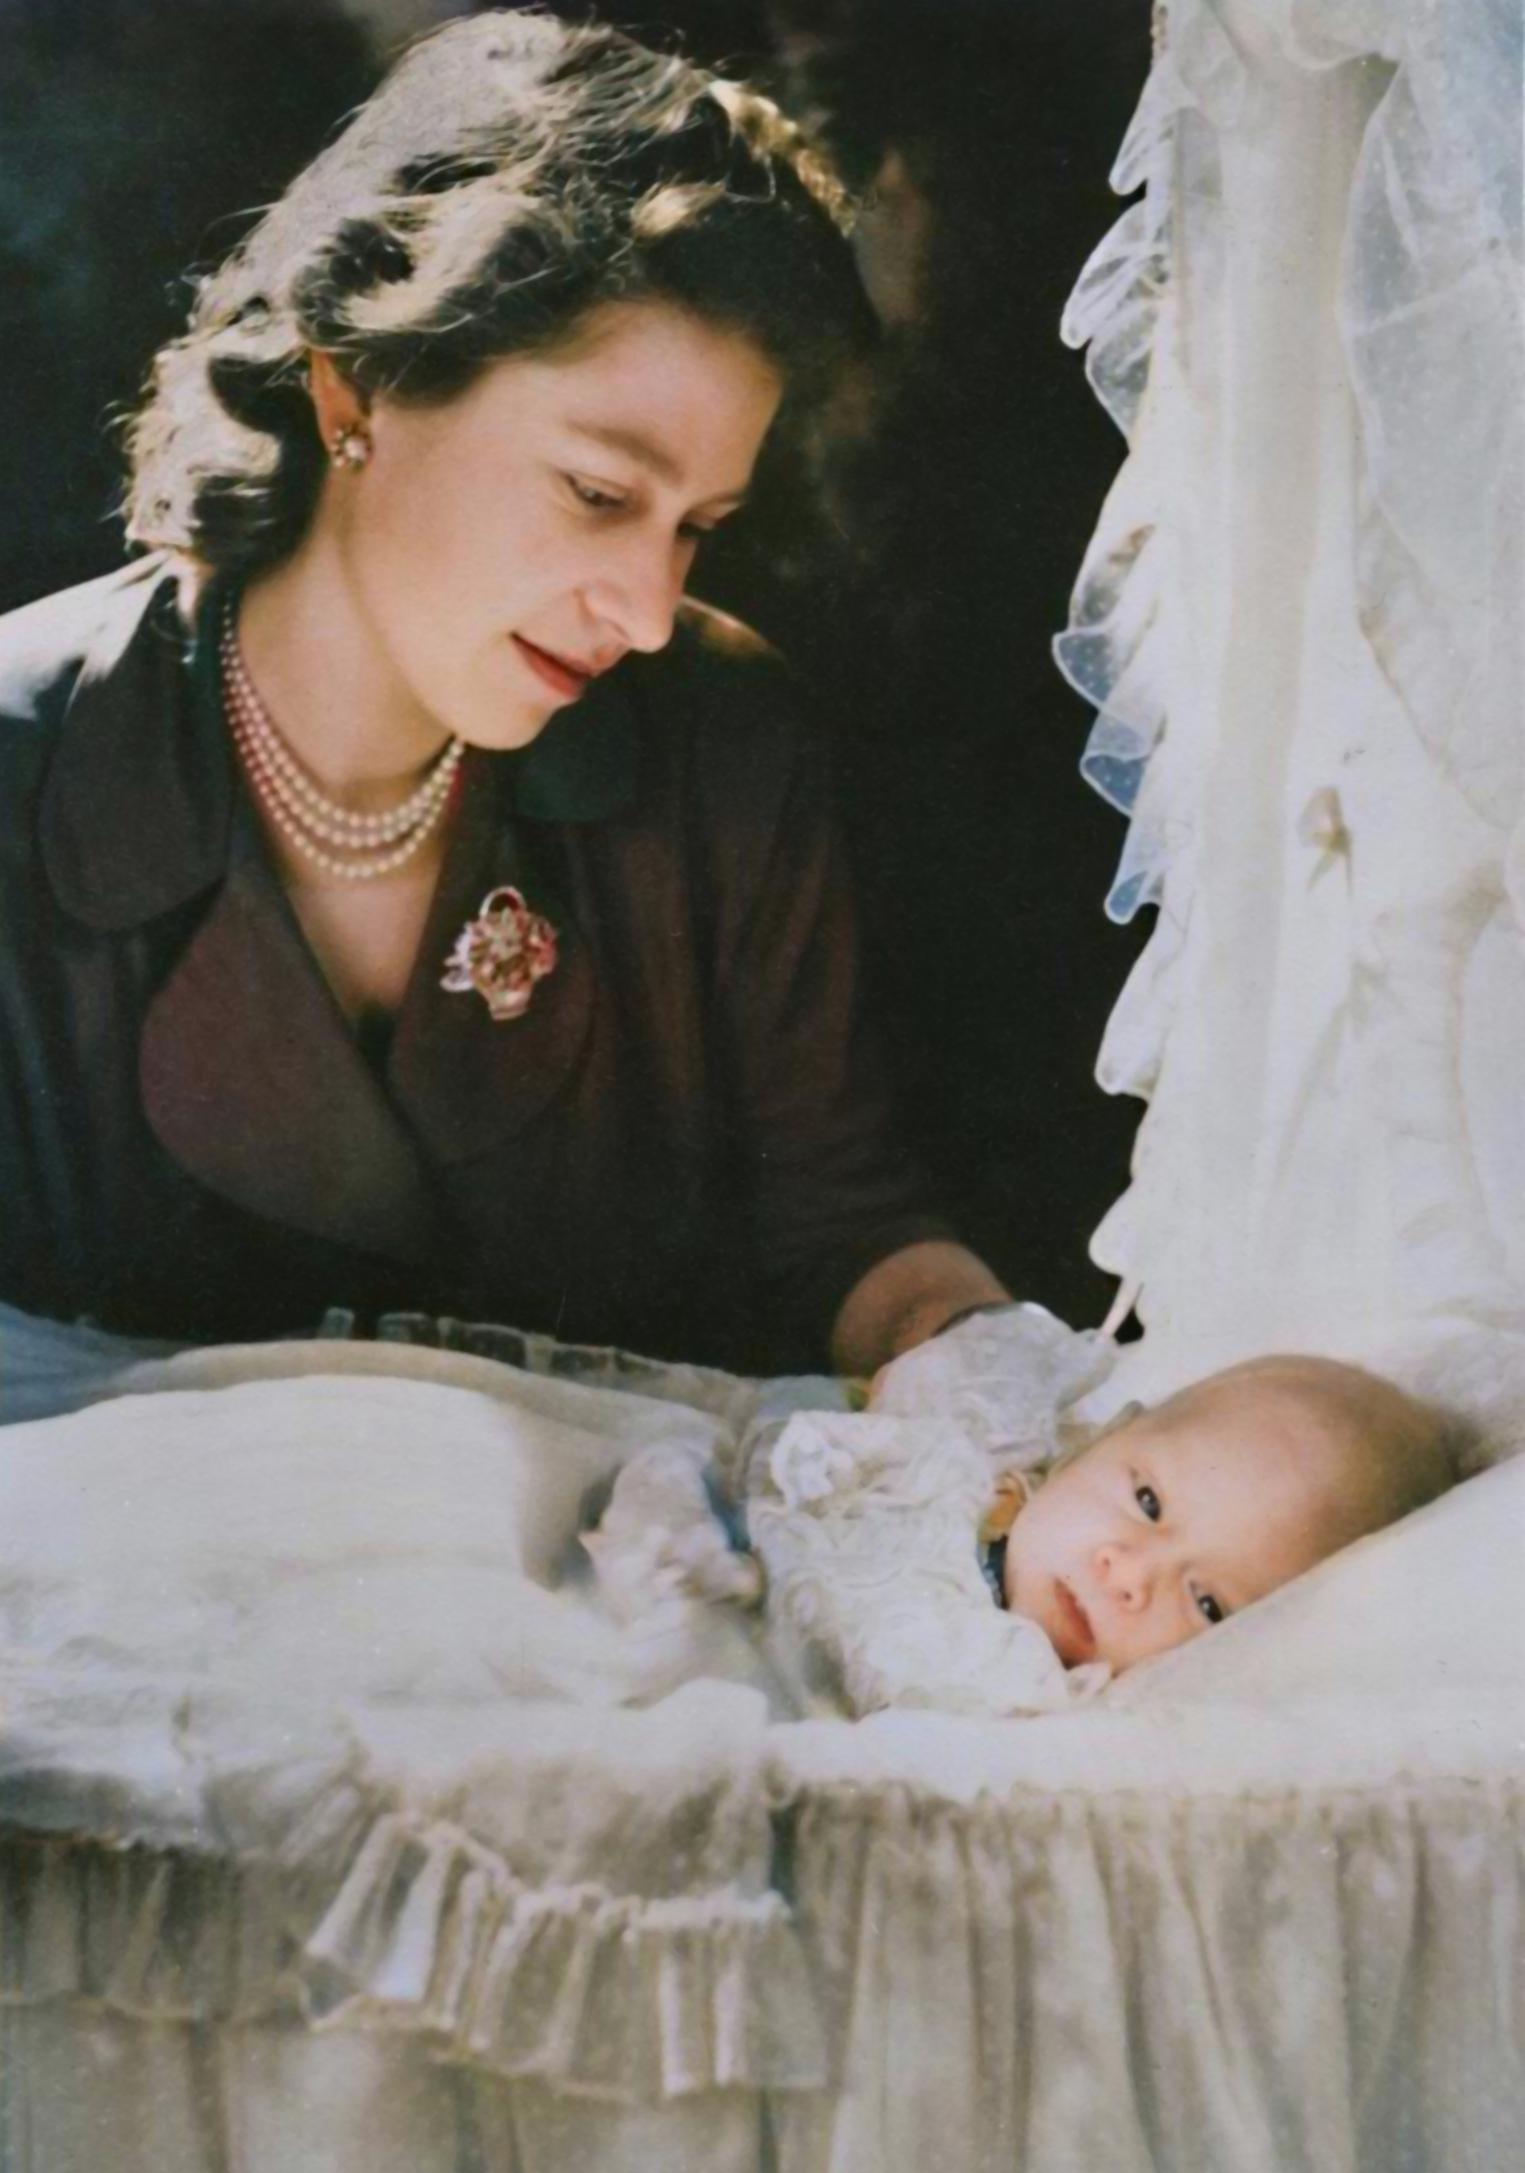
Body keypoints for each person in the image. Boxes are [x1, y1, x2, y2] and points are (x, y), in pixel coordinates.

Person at [0, 10, 1007, 1375]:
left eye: (695, 523)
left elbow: (840, 1227)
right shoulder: (25, 762)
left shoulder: (725, 744)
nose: (647, 610)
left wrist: (973, 1360)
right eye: (599, 494)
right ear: (357, 386)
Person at [729, 1340, 1461, 1712]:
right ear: (1102, 1439)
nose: (1129, 1573)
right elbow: (790, 1439)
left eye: (1207, 1605)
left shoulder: (1035, 1700)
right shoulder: (960, 1469)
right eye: (1146, 1502)